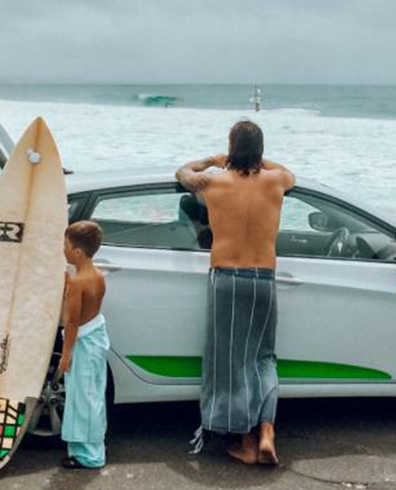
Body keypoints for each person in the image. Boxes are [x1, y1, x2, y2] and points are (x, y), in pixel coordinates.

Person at [176, 120, 295, 465]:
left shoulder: (214, 182)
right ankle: (268, 433)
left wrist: (215, 159)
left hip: (227, 277)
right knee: (263, 357)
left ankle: (246, 441)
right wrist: (261, 161)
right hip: (263, 277)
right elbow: (289, 173)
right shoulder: (276, 182)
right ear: (260, 149)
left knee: (232, 363)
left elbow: (184, 172)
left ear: (231, 148)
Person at [59, 220, 110, 469]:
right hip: (97, 336)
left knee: (83, 398)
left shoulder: (78, 283)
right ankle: (89, 447)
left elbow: (71, 322)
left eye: (66, 245)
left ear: (77, 252)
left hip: (83, 343)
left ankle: (90, 456)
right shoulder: (98, 275)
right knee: (93, 394)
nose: (63, 249)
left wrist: (65, 355)